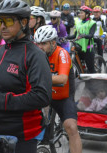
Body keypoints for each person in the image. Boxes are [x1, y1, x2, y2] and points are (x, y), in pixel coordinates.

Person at [0, 0, 52, 153]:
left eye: (8, 20)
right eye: (0, 21)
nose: (2, 26)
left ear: (23, 22)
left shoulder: (35, 55)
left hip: (18, 139)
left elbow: (42, 96)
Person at [34, 25, 82, 153]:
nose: (39, 47)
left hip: (63, 97)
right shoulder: (37, 55)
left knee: (71, 127)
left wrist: (38, 78)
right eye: (37, 44)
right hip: (44, 95)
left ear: (53, 43)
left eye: (43, 44)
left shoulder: (62, 54)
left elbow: (62, 79)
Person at [67, 5, 96, 73]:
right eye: (79, 13)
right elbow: (75, 35)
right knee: (79, 67)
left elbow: (91, 35)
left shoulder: (92, 23)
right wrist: (65, 37)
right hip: (79, 48)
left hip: (88, 49)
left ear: (87, 14)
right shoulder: (78, 23)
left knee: (91, 70)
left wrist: (84, 35)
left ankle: (94, 81)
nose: (80, 14)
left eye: (82, 13)